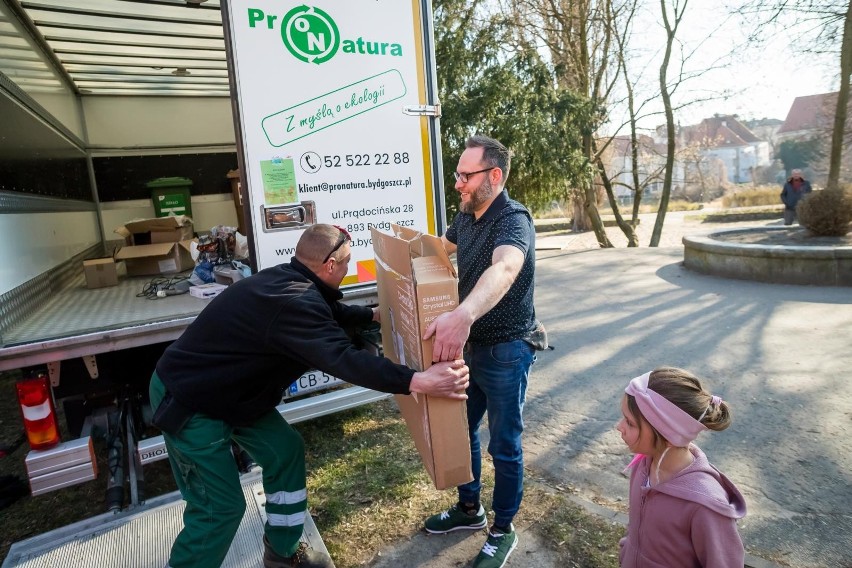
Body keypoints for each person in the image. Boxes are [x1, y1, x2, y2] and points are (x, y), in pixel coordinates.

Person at [149, 224, 470, 568]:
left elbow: (329, 312)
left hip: (232, 395)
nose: (348, 269)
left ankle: (282, 554)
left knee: (285, 451)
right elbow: (345, 360)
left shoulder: (291, 281)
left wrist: (373, 314)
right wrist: (418, 381)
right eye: (347, 263)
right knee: (219, 510)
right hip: (191, 399)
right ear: (330, 265)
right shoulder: (296, 301)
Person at [422, 135, 539, 568]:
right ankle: (470, 510)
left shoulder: (513, 220)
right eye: (457, 175)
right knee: (463, 430)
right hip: (468, 349)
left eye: (465, 176)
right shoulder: (467, 214)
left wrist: (462, 314)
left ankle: (503, 529)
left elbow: (505, 268)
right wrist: (399, 253)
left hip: (507, 351)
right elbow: (439, 248)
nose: (458, 184)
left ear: (494, 176)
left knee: (504, 446)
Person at [616, 367, 747, 568]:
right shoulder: (643, 465)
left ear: (668, 436)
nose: (619, 426)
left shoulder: (704, 505)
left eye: (630, 423)